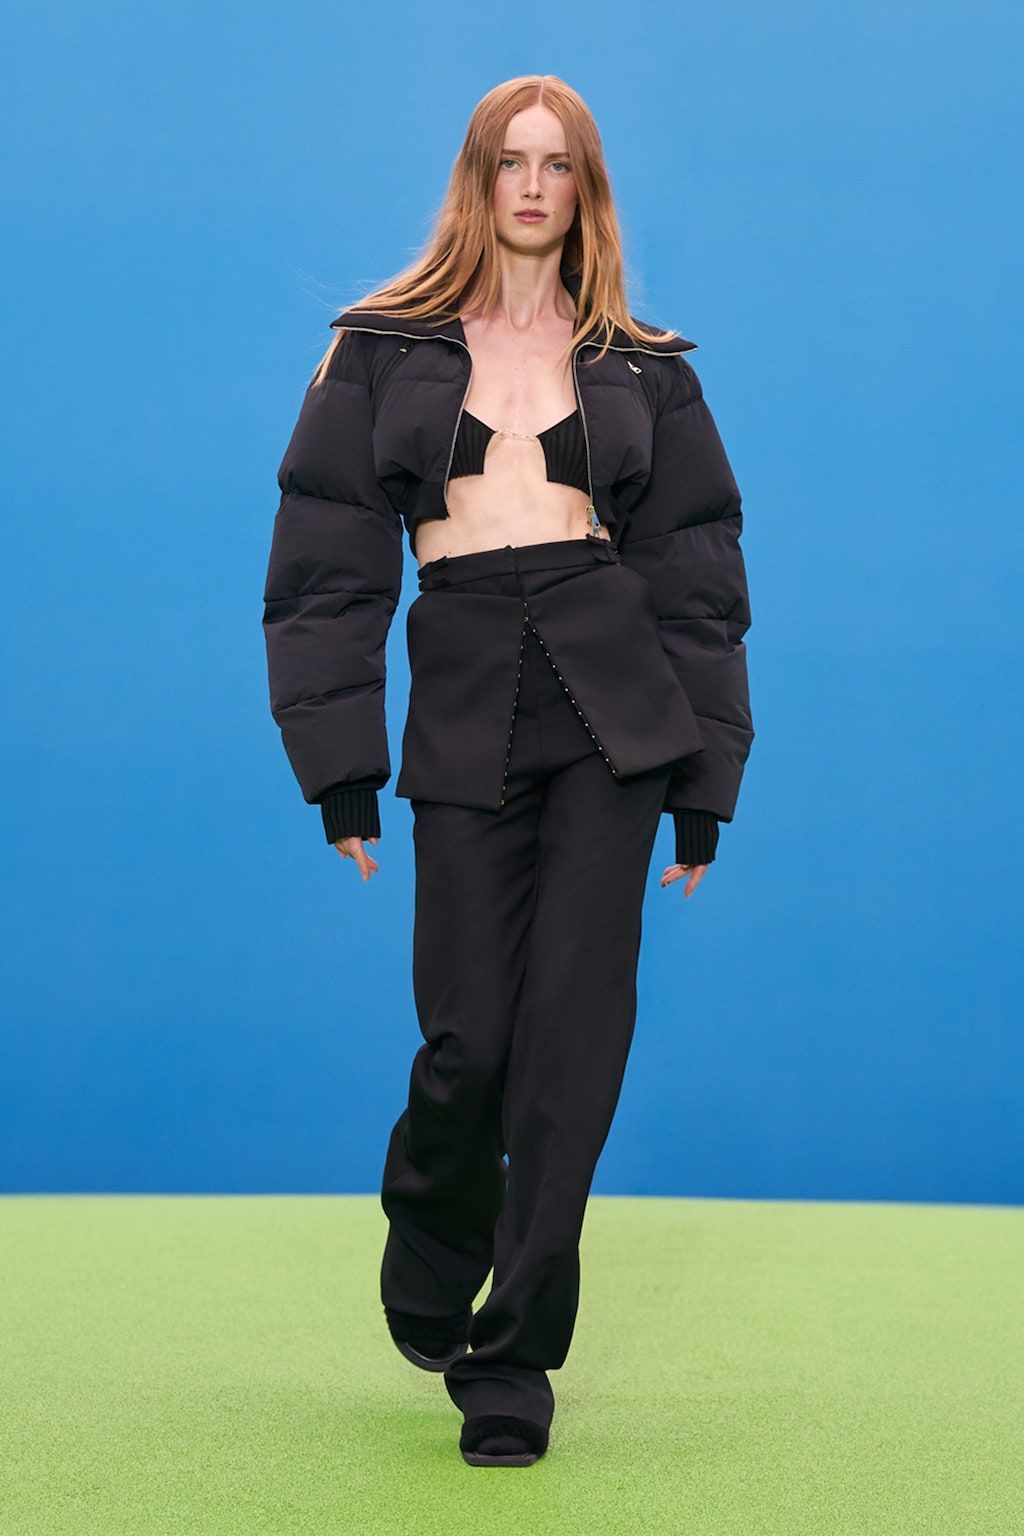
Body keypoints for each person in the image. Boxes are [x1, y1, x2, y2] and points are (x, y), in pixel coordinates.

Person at [262, 74, 754, 1468]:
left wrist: (706, 782)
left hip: (614, 708)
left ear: (587, 188)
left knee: (572, 1050)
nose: (533, 186)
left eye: (558, 164)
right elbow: (323, 570)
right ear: (477, 180)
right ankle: (435, 1210)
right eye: (509, 162)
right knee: (469, 1036)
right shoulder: (378, 348)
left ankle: (515, 1360)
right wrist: (339, 765)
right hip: (469, 691)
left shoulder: (648, 366)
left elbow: (699, 581)